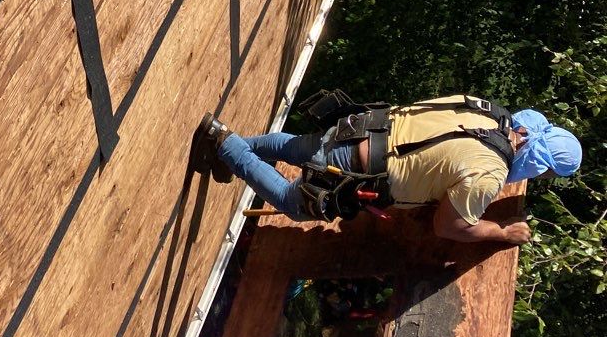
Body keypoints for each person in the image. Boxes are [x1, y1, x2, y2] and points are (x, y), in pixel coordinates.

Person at [196, 95, 582, 243]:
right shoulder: (489, 172)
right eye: (543, 175)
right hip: (359, 168)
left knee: (296, 146)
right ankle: (224, 142)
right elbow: (448, 226)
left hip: (364, 126)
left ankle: (232, 150)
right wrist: (500, 232)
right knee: (294, 204)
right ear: (540, 166)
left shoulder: (489, 111)